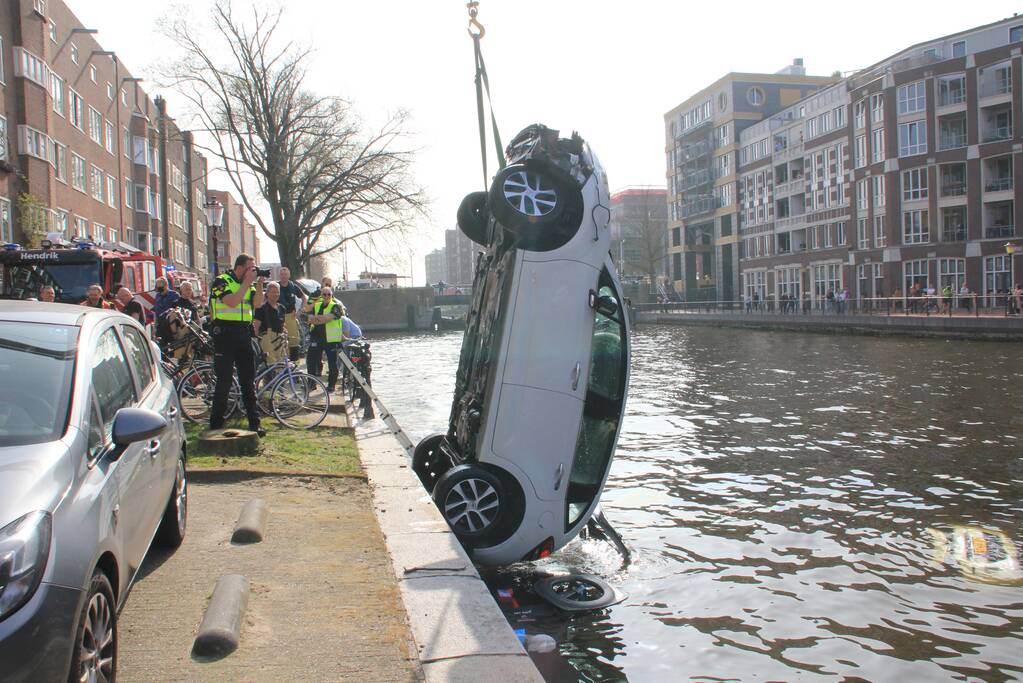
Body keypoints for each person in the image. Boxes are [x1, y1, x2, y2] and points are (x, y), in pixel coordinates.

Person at [209, 253, 266, 435]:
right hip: (225, 335)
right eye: (250, 268)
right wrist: (247, 283)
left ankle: (254, 423)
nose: (252, 271)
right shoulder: (222, 281)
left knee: (248, 381)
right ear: (240, 267)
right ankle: (216, 424)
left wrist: (258, 284)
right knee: (224, 381)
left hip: (243, 334)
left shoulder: (248, 284)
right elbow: (232, 302)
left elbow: (257, 304)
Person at [304, 285, 344, 392]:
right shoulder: (317, 306)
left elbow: (328, 318)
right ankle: (311, 384)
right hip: (317, 337)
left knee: (332, 363)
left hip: (331, 340)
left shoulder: (336, 306)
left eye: (328, 294)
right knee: (311, 360)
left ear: (331, 295)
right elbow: (310, 319)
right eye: (324, 294)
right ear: (321, 295)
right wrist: (320, 319)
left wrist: (318, 318)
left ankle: (331, 385)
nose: (326, 296)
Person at [254, 281, 287, 366]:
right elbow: (256, 326)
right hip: (266, 339)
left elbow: (283, 325)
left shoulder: (282, 308)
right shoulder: (261, 308)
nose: (275, 294)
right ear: (267, 293)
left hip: (280, 338)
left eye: (277, 292)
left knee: (281, 364)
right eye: (273, 292)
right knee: (271, 364)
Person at [277, 267, 306, 361]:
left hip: (291, 316)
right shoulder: (275, 287)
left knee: (294, 340)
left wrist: (301, 310)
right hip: (278, 317)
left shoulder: (293, 286)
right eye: (282, 274)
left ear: (289, 275)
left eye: (286, 274)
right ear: (279, 275)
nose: (284, 276)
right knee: (280, 341)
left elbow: (304, 298)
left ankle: (294, 365)